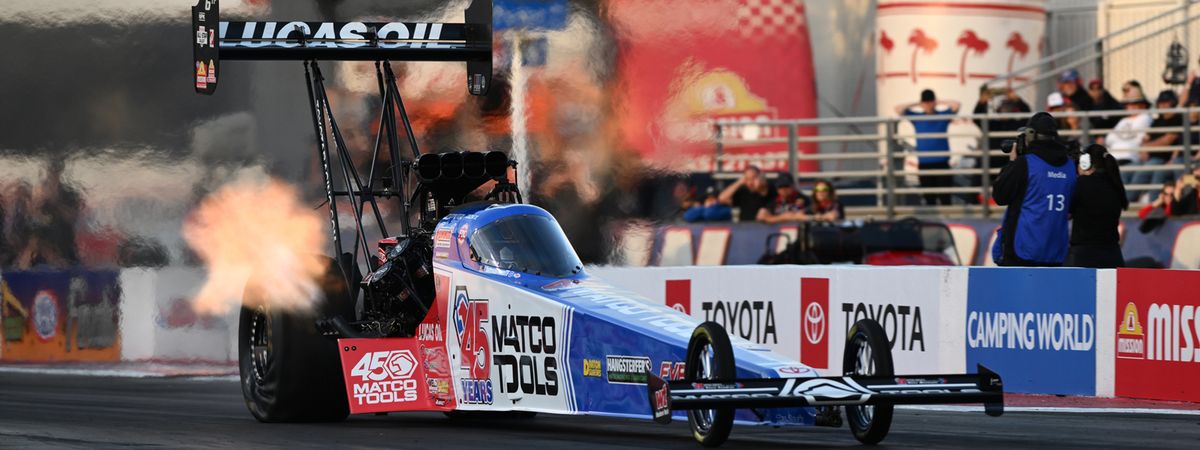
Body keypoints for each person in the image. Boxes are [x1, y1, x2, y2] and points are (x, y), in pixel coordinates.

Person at [991, 112, 1077, 266]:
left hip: (1022, 251)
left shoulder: (1026, 164)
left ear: (1031, 135)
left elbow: (1000, 196)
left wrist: (1011, 164)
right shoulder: (1070, 166)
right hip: (1055, 253)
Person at [896, 89, 961, 206]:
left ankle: (947, 222)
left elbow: (957, 105)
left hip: (942, 163)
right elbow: (898, 109)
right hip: (925, 164)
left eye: (930, 102)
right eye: (925, 102)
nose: (928, 105)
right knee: (929, 199)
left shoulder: (942, 115)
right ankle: (933, 223)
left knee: (945, 198)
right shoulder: (917, 117)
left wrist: (938, 102)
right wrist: (917, 103)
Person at [1066, 145, 1127, 268]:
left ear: (1086, 163)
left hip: (1085, 254)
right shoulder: (1115, 185)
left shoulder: (1082, 184)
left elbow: (1067, 214)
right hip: (1112, 253)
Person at [1134, 90, 1184, 202]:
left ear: (1173, 103)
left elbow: (1166, 141)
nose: (1163, 105)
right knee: (1129, 169)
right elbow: (1145, 138)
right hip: (1151, 157)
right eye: (1161, 102)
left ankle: (1150, 206)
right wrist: (1143, 149)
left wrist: (1146, 147)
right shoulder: (1157, 121)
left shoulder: (1178, 119)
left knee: (1144, 174)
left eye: (1167, 102)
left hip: (1164, 158)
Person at [1100, 84, 1152, 187]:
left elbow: (1138, 138)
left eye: (1135, 103)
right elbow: (1109, 139)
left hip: (1130, 159)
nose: (1131, 106)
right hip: (1112, 159)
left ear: (1143, 105)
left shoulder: (1146, 118)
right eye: (1128, 104)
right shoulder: (1123, 120)